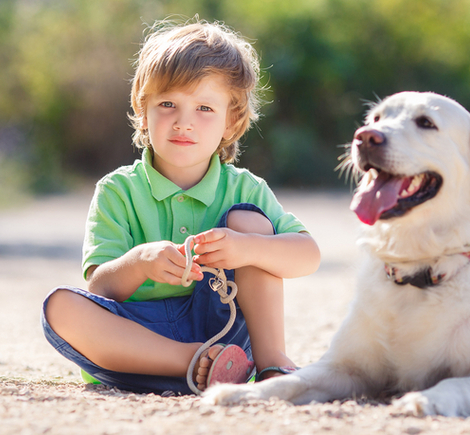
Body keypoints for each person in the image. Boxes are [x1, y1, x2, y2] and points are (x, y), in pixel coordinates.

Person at [40, 19, 321, 395]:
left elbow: (308, 255)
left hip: (225, 332)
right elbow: (100, 287)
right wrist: (140, 262)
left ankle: (273, 367)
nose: (184, 122)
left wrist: (246, 247)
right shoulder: (118, 190)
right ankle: (193, 362)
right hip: (141, 346)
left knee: (249, 223)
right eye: (168, 104)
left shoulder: (244, 188)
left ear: (231, 121)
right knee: (59, 307)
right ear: (143, 111)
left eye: (204, 108)